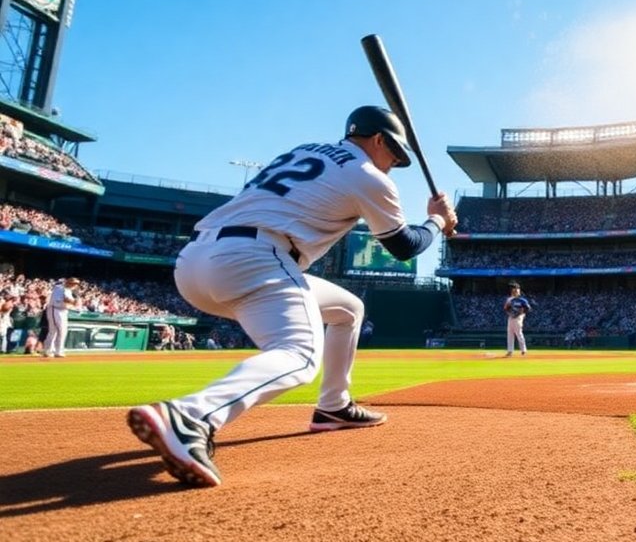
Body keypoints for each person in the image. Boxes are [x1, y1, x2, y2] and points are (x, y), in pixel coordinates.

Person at [127, 106, 456, 487]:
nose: (393, 165)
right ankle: (192, 415)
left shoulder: (305, 150)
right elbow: (404, 246)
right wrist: (437, 220)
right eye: (394, 155)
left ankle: (333, 406)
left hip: (195, 263)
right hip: (254, 258)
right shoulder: (367, 175)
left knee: (348, 310)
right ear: (378, 140)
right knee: (299, 355)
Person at [41, 277, 81, 359]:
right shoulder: (59, 288)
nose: (75, 285)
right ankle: (48, 351)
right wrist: (75, 300)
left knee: (62, 331)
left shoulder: (69, 290)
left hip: (63, 310)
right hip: (55, 309)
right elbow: (66, 300)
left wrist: (76, 300)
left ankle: (58, 351)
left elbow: (73, 303)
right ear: (69, 282)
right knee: (53, 331)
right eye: (74, 283)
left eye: (76, 284)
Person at [503, 282, 531, 357]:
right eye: (513, 291)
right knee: (510, 334)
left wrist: (522, 312)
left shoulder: (522, 300)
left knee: (518, 333)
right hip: (511, 317)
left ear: (519, 292)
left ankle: (523, 350)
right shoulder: (510, 299)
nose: (514, 292)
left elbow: (528, 308)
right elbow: (505, 308)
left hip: (518, 317)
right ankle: (510, 351)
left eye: (516, 291)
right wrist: (509, 312)